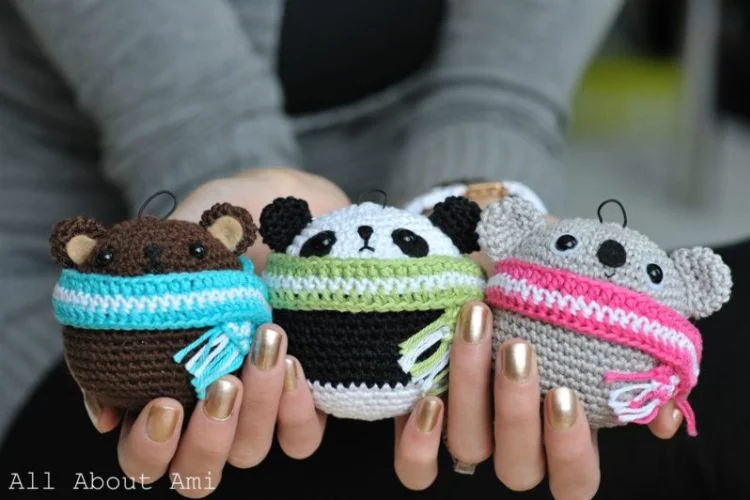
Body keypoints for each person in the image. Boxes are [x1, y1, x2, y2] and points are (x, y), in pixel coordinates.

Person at [4, 1, 748, 498]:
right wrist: (249, 228)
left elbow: (499, 95)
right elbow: (183, 112)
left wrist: (462, 221)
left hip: (428, 275)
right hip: (99, 307)